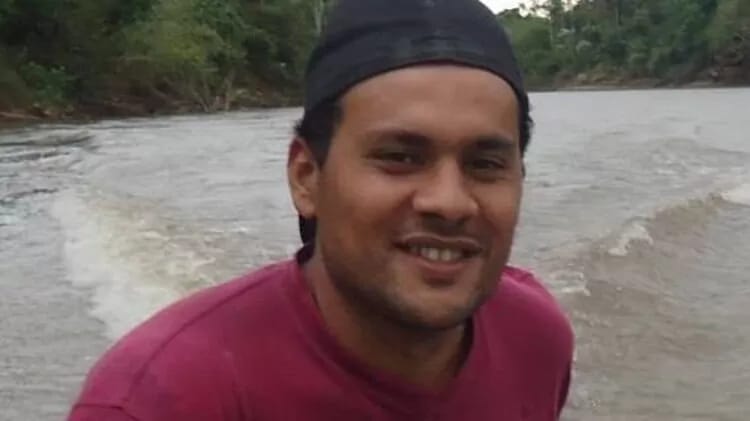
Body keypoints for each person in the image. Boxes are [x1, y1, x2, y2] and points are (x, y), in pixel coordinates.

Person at [67, 0, 575, 420]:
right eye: (399, 157)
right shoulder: (160, 401)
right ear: (306, 177)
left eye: (485, 164)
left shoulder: (535, 340)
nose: (449, 202)